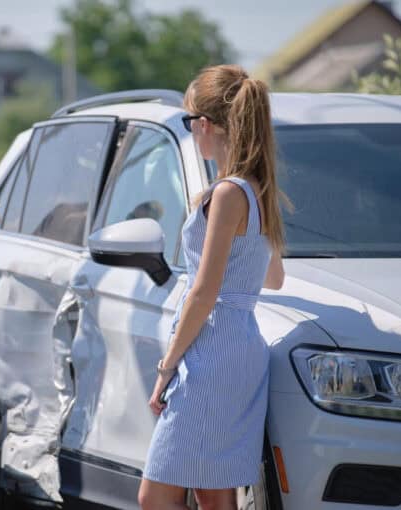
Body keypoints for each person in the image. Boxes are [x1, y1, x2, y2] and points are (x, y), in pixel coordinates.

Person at [138, 64, 288, 510]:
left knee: (156, 497)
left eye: (189, 123)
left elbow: (204, 291)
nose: (190, 134)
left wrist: (166, 368)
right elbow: (273, 277)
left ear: (205, 125)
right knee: (214, 493)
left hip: (211, 353)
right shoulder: (260, 191)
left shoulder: (226, 193)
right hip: (240, 347)